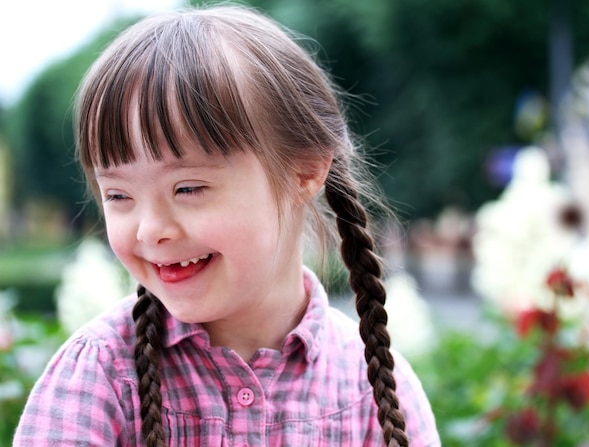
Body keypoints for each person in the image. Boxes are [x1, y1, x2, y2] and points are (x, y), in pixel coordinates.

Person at [13, 5, 440, 446]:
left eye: (189, 188)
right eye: (119, 196)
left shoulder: (372, 388)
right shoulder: (98, 376)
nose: (150, 230)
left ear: (304, 173)